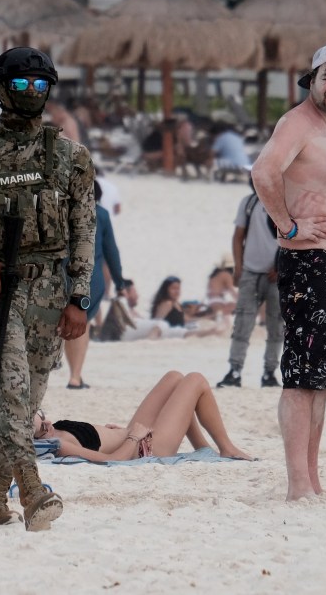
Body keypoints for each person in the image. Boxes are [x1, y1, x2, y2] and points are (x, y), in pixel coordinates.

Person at [0, 47, 96, 532]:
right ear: (0, 90)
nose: (32, 94)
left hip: (51, 293)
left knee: (25, 405)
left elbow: (84, 230)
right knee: (10, 393)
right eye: (22, 85)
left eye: (40, 85)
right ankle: (32, 492)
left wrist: (79, 298)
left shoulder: (71, 157)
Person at [251, 43, 326, 501]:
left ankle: (313, 479)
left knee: (323, 378)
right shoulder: (296, 123)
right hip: (311, 262)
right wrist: (289, 225)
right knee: (302, 375)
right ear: (312, 80)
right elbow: (263, 173)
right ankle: (298, 484)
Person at [35, 371, 252, 461]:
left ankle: (202, 447)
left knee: (174, 377)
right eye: (43, 428)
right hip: (145, 448)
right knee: (196, 381)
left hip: (132, 435)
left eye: (42, 416)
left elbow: (98, 443)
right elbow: (112, 461)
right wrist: (133, 438)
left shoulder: (55, 430)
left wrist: (108, 432)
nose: (48, 423)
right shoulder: (60, 444)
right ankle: (227, 448)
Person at [217, 183, 283, 389]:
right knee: (243, 324)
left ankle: (269, 372)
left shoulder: (286, 203)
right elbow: (238, 236)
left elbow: (293, 239)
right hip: (251, 271)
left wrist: (281, 265)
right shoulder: (249, 202)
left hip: (277, 275)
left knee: (276, 326)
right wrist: (238, 266)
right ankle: (235, 369)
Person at [64, 180, 125, 390]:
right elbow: (112, 252)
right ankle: (75, 376)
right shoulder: (101, 214)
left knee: (67, 325)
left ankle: (74, 375)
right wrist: (120, 282)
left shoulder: (61, 211)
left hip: (62, 274)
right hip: (92, 276)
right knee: (84, 324)